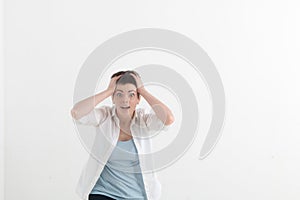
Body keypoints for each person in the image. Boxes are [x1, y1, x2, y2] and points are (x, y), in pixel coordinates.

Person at [71, 70, 174, 200]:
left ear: (138, 99)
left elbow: (168, 119)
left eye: (131, 95)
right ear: (113, 98)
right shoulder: (104, 116)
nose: (125, 100)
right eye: (119, 94)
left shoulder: (144, 119)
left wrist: (143, 90)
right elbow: (76, 112)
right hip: (103, 193)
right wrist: (109, 90)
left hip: (138, 196)